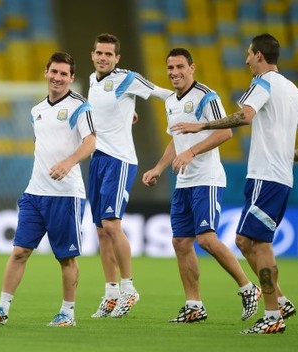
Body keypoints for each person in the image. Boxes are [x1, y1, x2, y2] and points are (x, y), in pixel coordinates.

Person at [173, 33, 298, 334]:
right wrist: (293, 157)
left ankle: (273, 314)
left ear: (260, 56)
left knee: (259, 243)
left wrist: (202, 125)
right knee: (245, 241)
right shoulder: (295, 91)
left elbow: (245, 116)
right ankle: (279, 299)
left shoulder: (263, 83)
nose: (247, 60)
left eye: (250, 55)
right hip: (278, 177)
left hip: (266, 176)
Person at [142, 48, 262, 324]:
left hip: (206, 178)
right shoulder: (170, 100)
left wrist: (192, 152)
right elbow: (176, 139)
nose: (174, 72)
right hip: (183, 181)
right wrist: (159, 168)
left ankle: (248, 288)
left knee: (206, 239)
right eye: (170, 67)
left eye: (180, 66)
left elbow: (225, 131)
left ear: (192, 68)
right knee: (181, 242)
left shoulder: (207, 96)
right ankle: (194, 305)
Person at [0, 52, 96, 327]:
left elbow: (91, 141)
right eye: (54, 72)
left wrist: (68, 162)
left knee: (66, 258)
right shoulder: (37, 110)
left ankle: (68, 313)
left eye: (64, 74)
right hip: (35, 193)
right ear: (46, 72)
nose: (57, 77)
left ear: (72, 78)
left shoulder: (81, 107)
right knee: (19, 252)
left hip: (66, 194)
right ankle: (2, 308)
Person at [87, 33, 173, 318]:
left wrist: (186, 108)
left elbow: (164, 93)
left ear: (117, 58)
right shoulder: (91, 80)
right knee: (100, 231)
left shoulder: (128, 78)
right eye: (99, 53)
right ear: (93, 54)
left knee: (112, 225)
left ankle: (128, 287)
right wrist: (127, 114)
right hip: (97, 159)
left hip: (120, 160)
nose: (103, 58)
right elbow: (99, 112)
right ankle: (111, 293)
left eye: (108, 54)